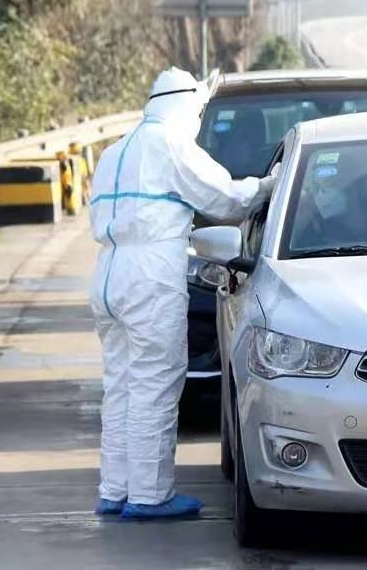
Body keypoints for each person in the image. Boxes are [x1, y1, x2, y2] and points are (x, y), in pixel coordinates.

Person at [89, 67, 279, 519]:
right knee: (155, 382)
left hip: (108, 273)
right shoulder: (170, 145)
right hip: (150, 273)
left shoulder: (114, 151)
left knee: (121, 386)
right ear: (185, 104)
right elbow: (227, 199)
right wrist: (269, 186)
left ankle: (114, 490)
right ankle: (150, 496)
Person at [296, 146, 367, 249]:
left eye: (324, 189)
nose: (317, 198)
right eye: (314, 190)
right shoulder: (312, 239)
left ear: (351, 188)